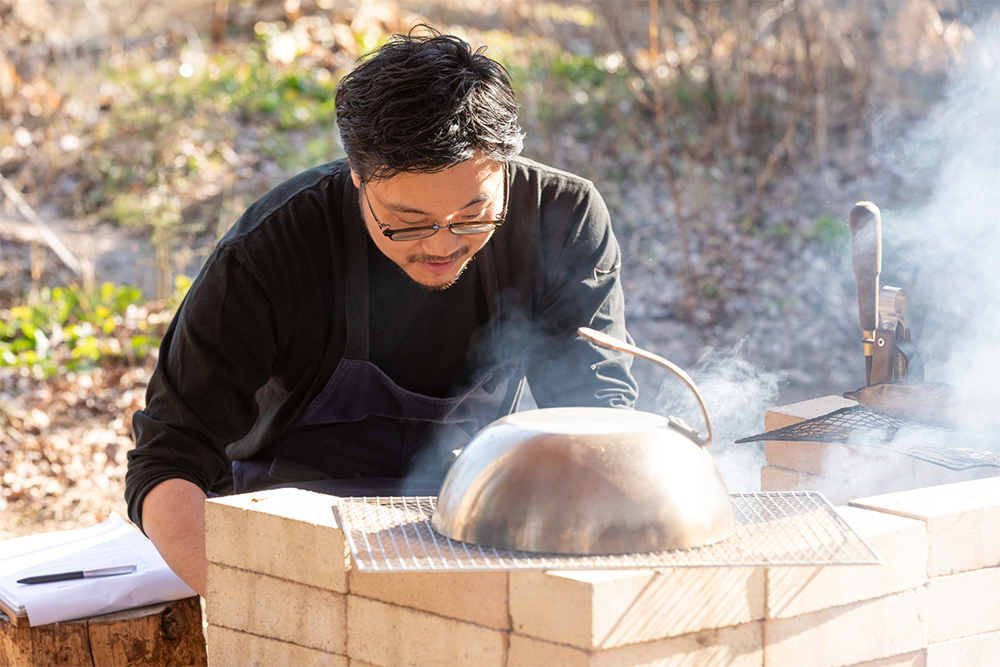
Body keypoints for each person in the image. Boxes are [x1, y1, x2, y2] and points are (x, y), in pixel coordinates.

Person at [125, 26, 637, 596]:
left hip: (481, 523)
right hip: (292, 537)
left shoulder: (560, 219)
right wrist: (253, 611)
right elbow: (168, 457)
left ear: (505, 169)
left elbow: (601, 419)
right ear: (356, 175)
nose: (443, 245)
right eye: (410, 222)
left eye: (474, 214)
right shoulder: (275, 248)